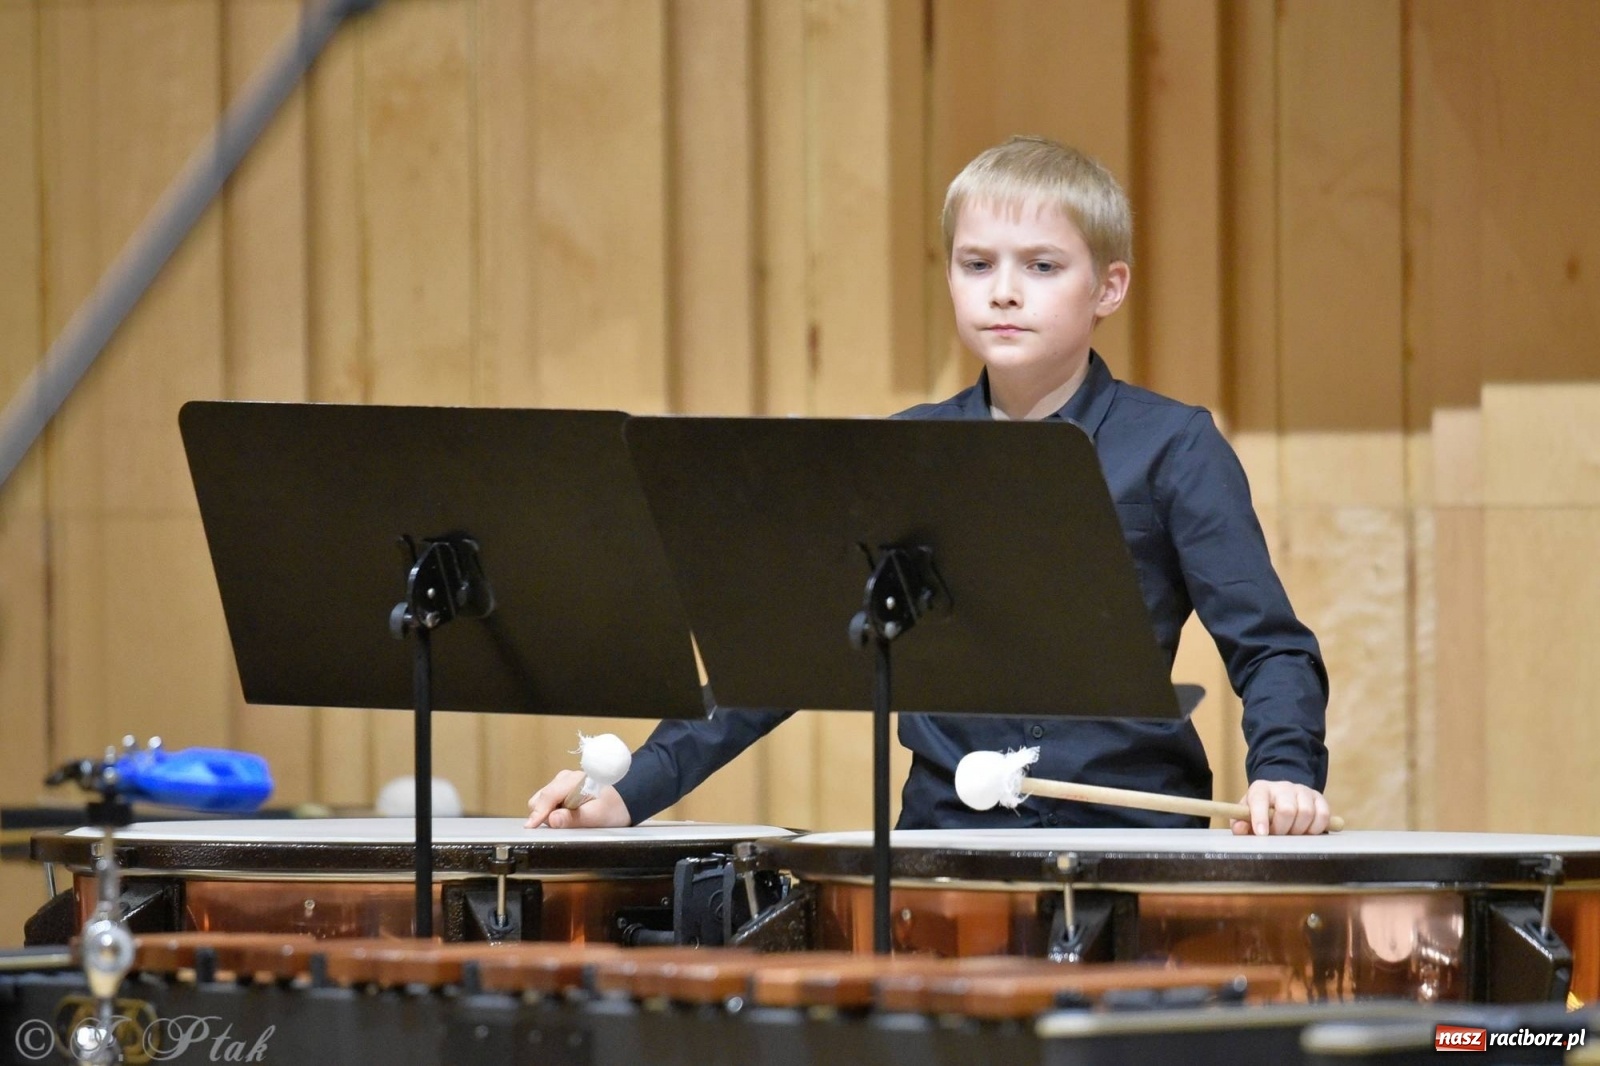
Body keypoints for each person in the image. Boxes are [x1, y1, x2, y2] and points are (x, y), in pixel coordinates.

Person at [526, 136, 1331, 837]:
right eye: (976, 264)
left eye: (1042, 267)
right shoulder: (908, 448)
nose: (1003, 291)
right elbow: (788, 660)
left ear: (1109, 288)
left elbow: (1270, 648)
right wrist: (632, 791)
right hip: (944, 847)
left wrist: (1286, 771)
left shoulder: (1174, 447)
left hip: (1130, 837)